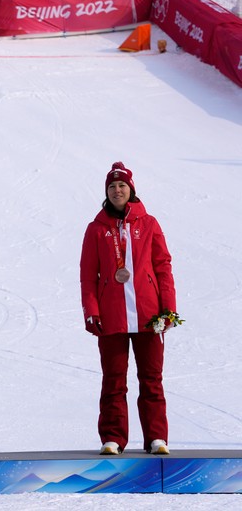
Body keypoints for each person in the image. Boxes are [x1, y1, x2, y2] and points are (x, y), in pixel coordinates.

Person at [80, 162, 178, 456]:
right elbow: (88, 275)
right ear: (106, 193)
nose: (117, 190)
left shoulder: (149, 224)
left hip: (149, 316)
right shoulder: (96, 229)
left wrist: (168, 309)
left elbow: (163, 267)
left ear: (131, 189)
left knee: (151, 380)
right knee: (113, 380)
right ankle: (112, 438)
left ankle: (156, 438)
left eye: (122, 185)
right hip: (112, 316)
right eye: (112, 186)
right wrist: (91, 309)